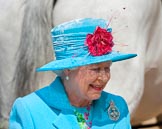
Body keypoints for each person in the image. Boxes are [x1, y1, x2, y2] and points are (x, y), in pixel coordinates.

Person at [9, 18, 137, 129]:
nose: (104, 77)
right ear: (68, 69)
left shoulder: (117, 106)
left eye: (107, 68)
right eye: (95, 69)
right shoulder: (30, 110)